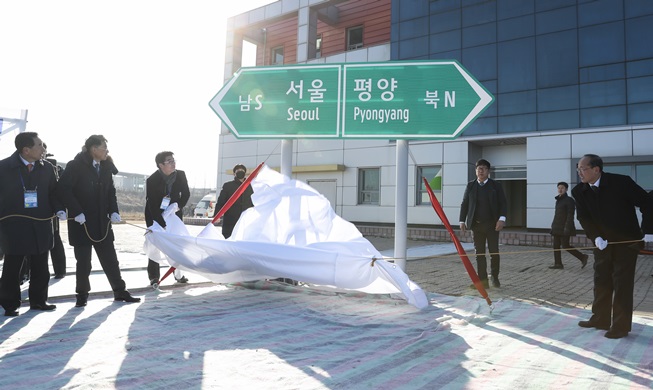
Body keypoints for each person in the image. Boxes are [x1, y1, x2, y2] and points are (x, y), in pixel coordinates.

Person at [572, 154, 653, 339]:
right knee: (601, 279)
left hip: (627, 242)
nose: (579, 173)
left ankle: (621, 326)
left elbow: (648, 202)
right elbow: (584, 217)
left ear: (596, 169)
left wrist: (648, 229)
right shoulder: (579, 191)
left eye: (583, 169)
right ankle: (600, 319)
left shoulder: (621, 183)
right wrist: (596, 237)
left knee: (622, 283)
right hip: (602, 244)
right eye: (578, 169)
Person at [57, 134, 141, 307]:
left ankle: (119, 291)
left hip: (102, 222)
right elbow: (64, 190)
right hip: (82, 223)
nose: (107, 152)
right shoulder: (75, 166)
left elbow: (111, 192)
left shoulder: (105, 167)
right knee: (84, 263)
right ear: (93, 149)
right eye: (104, 148)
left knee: (111, 260)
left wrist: (114, 211)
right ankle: (82, 295)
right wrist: (76, 211)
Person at [0, 132, 66, 316]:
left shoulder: (47, 168)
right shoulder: (4, 167)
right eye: (39, 145)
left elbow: (54, 192)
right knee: (13, 266)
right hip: (14, 225)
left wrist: (59, 209)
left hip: (41, 223)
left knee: (41, 265)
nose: (43, 149)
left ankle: (39, 301)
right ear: (26, 150)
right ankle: (10, 304)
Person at [459, 159, 507, 289]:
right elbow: (465, 204)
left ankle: (495, 277)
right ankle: (483, 281)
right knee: (479, 254)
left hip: (492, 225)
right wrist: (462, 220)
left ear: (488, 171)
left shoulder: (495, 186)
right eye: (479, 168)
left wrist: (501, 219)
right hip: (476, 225)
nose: (481, 171)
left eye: (484, 168)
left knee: (494, 252)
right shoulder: (470, 186)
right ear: (476, 171)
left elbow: (503, 203)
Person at [145, 151, 190, 286]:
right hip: (155, 214)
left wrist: (178, 206)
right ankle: (154, 277)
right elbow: (152, 203)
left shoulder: (180, 175)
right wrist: (161, 223)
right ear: (160, 165)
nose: (173, 163)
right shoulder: (152, 180)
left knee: (177, 244)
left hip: (174, 213)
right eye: (169, 161)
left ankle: (178, 273)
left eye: (173, 160)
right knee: (155, 244)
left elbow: (186, 193)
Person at [549, 181, 588, 270]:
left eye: (562, 188)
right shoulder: (558, 200)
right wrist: (553, 226)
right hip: (556, 226)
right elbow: (557, 214)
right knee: (556, 246)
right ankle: (558, 264)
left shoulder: (569, 200)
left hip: (565, 227)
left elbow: (570, 215)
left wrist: (567, 227)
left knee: (565, 245)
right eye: (559, 188)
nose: (560, 189)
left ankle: (582, 257)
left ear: (566, 189)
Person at [43, 143, 67, 278]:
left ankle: (60, 270)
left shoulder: (53, 168)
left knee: (54, 238)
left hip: (52, 210)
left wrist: (60, 209)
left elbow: (59, 189)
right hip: (35, 211)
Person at [213, 163, 254, 239]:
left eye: (242, 170)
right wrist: (217, 215)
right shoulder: (228, 186)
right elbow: (221, 201)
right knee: (229, 240)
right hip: (230, 220)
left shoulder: (250, 186)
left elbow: (254, 202)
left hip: (246, 220)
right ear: (234, 173)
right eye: (238, 170)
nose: (240, 172)